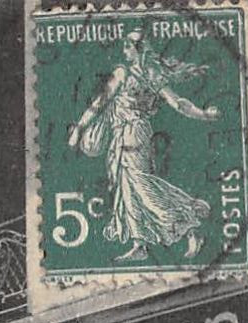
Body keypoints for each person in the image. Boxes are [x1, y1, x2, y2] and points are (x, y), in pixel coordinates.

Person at [67, 28, 221, 262]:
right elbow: (177, 104)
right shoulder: (148, 73)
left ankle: (189, 224)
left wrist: (204, 115)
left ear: (136, 49)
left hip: (133, 133)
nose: (124, 50)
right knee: (128, 188)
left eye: (128, 46)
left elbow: (176, 103)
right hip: (124, 135)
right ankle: (140, 244)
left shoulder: (129, 73)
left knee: (141, 185)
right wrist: (204, 115)